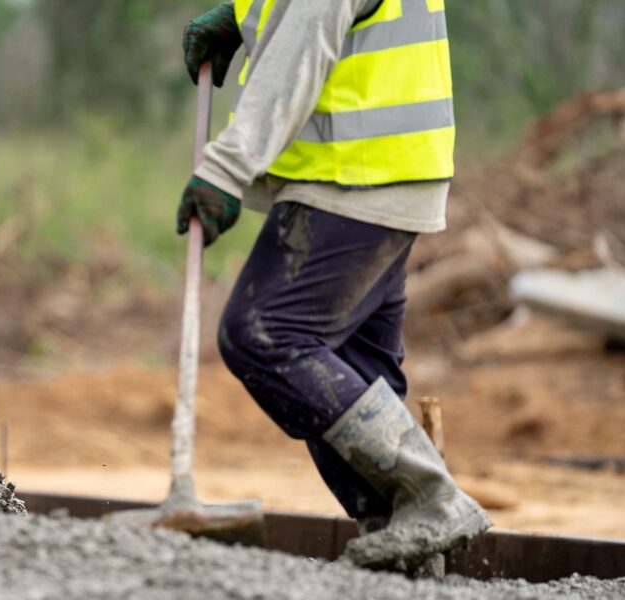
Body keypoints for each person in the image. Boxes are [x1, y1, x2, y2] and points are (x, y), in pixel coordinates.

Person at [177, 0, 489, 574]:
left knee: (265, 332)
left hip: (353, 175)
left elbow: (305, 45)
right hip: (390, 170)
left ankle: (429, 497)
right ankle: (408, 550)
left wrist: (225, 168)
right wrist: (249, 18)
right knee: (355, 365)